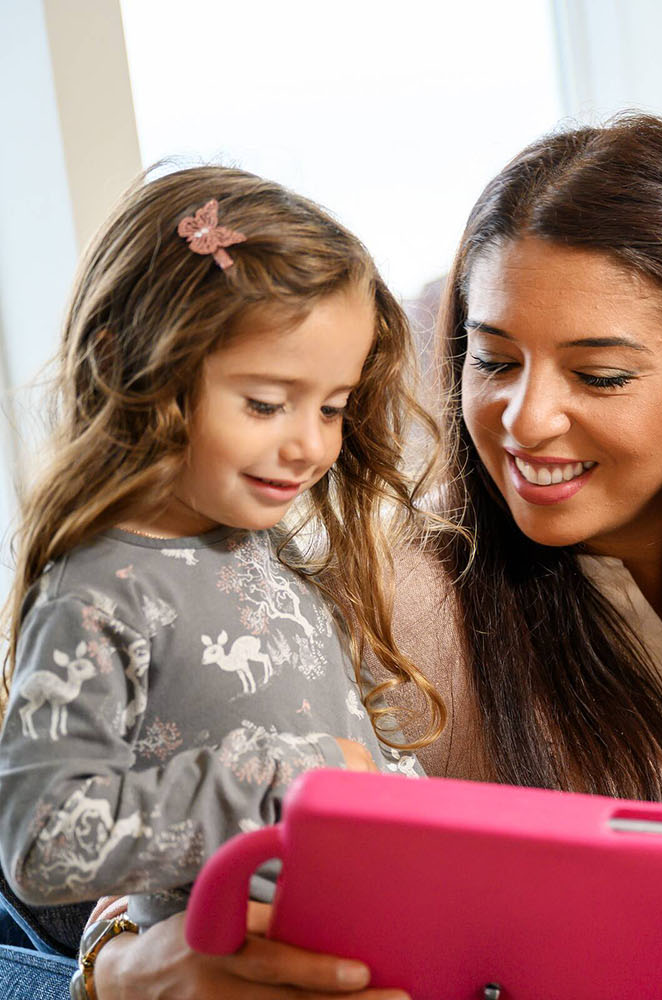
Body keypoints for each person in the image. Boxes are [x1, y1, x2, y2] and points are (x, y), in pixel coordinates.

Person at [73, 115, 662, 1000]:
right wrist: (120, 964)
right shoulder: (396, 601)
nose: (524, 422)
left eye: (600, 376)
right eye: (492, 360)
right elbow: (165, 858)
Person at [0, 166, 445, 995]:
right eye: (268, 403)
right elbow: (39, 841)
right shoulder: (95, 592)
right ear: (133, 367)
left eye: (333, 407)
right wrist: (273, 786)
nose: (311, 445)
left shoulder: (270, 556)